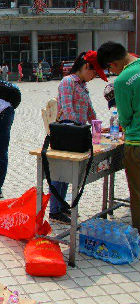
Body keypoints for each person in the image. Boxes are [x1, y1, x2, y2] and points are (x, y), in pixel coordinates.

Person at [48, 51, 107, 224]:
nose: (93, 76)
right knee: (59, 172)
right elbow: (67, 110)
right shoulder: (68, 82)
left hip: (78, 133)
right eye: (94, 72)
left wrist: (97, 127)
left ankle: (61, 204)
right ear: (86, 66)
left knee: (69, 172)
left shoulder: (82, 85)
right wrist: (81, 129)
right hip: (67, 133)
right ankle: (54, 210)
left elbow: (89, 110)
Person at [97, 41, 140, 231]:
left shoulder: (123, 80)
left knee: (137, 191)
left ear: (113, 64)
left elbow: (125, 118)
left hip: (136, 143)